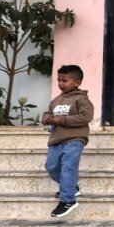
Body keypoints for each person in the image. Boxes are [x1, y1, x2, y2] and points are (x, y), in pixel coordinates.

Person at [41, 65, 93, 218]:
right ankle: (71, 187)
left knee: (68, 167)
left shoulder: (82, 99)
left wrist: (60, 119)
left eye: (64, 80)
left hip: (74, 139)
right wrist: (46, 117)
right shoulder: (56, 100)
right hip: (56, 139)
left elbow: (85, 117)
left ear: (77, 82)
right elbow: (49, 112)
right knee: (51, 167)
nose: (60, 83)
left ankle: (68, 200)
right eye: (58, 80)